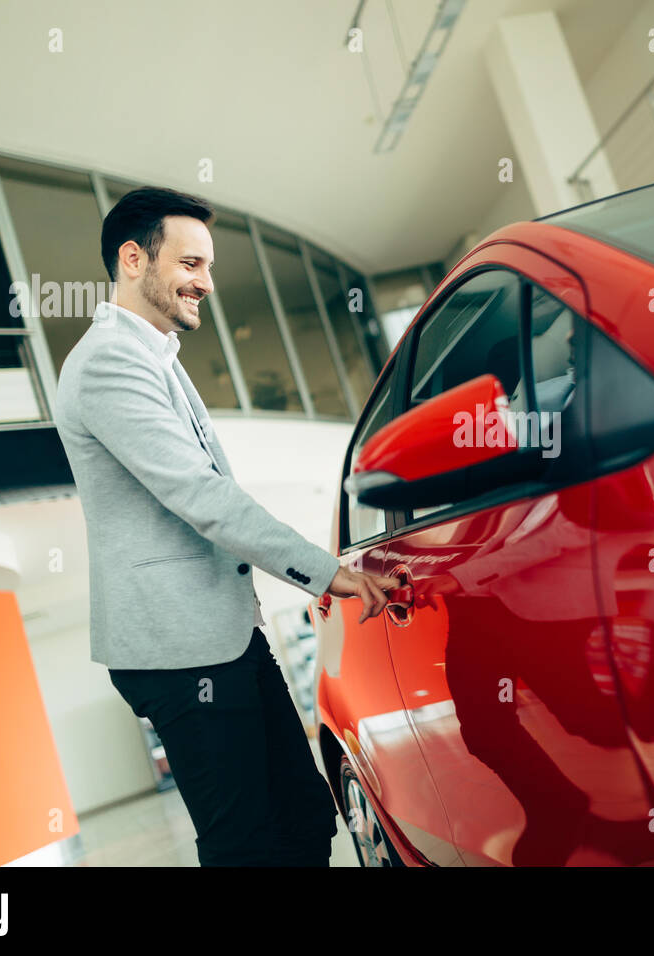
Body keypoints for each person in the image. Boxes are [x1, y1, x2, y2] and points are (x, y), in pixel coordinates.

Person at [53, 186, 400, 866]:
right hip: (179, 651)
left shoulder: (154, 358)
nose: (205, 283)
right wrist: (326, 571)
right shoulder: (107, 363)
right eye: (190, 264)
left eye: (207, 267)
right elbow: (201, 496)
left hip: (221, 638)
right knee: (245, 843)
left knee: (303, 811)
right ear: (132, 259)